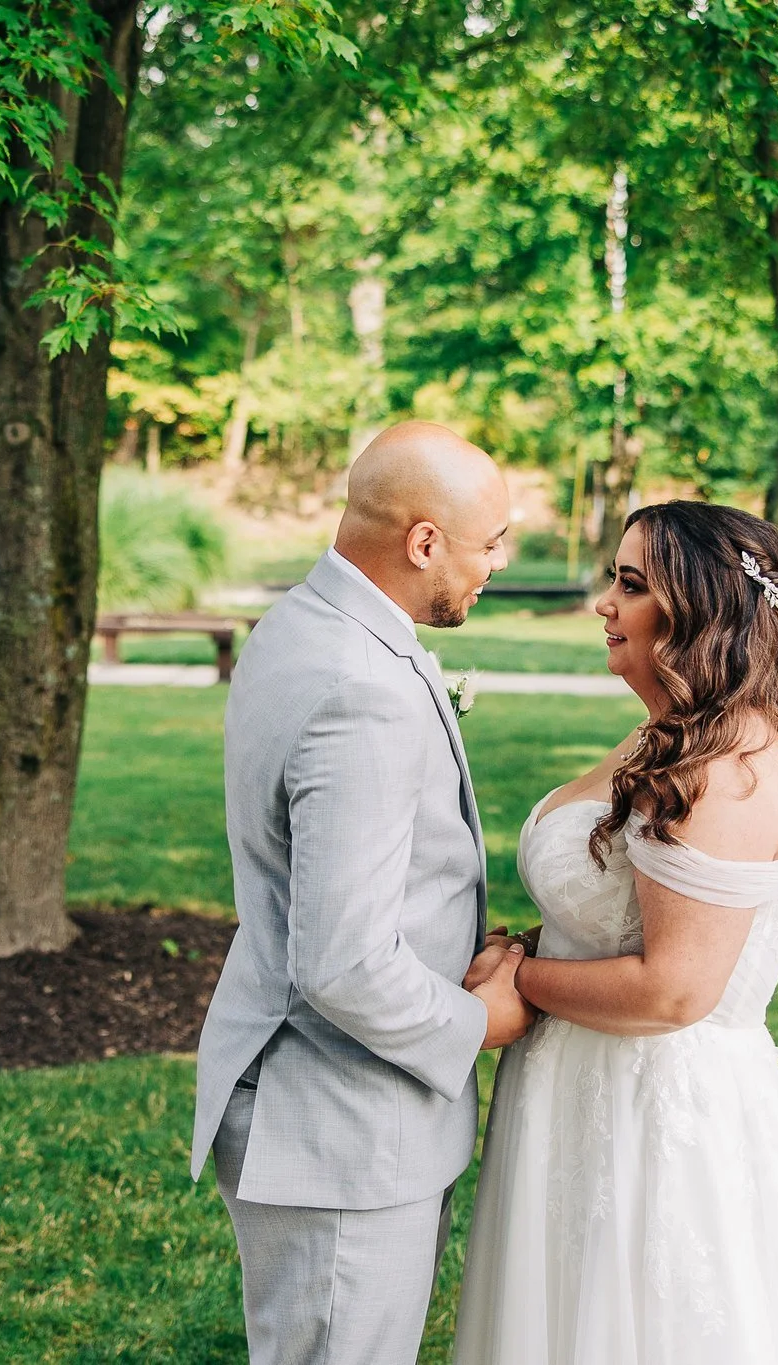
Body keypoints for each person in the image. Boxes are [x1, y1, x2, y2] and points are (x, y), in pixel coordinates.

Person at [453, 501, 778, 1364]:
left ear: (699, 611)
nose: (605, 603)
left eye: (631, 585)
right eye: (613, 579)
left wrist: (520, 978)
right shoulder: (674, 738)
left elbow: (675, 990)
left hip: (654, 1111)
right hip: (588, 1088)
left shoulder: (728, 771)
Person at [189, 421, 535, 1365]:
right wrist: (479, 1022)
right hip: (335, 1127)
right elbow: (342, 959)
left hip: (312, 1107)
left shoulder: (304, 624)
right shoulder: (359, 683)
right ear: (423, 542)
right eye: (489, 539)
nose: (499, 560)